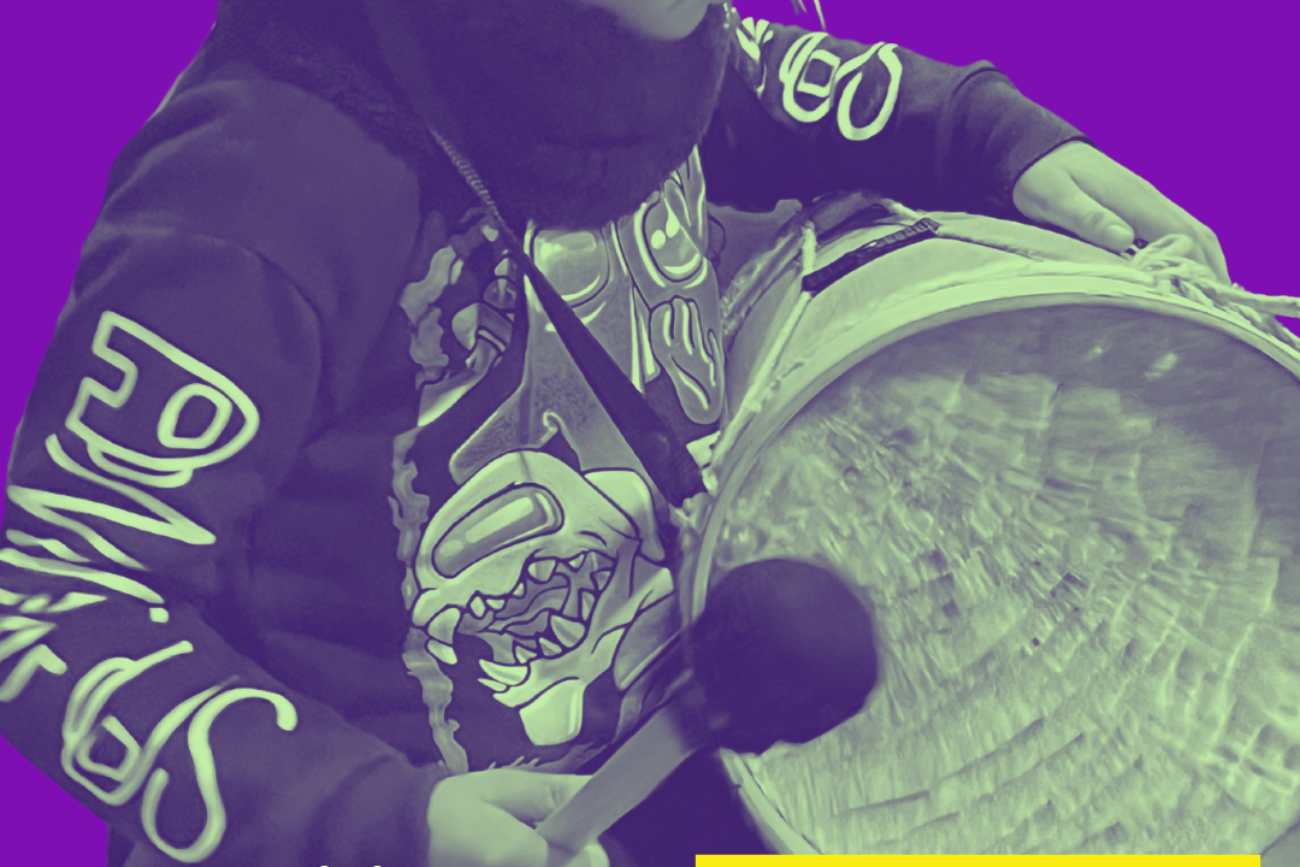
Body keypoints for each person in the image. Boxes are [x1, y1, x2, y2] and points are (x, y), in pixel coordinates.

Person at [0, 0, 1228, 865]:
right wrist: (379, 821)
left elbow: (751, 79)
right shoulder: (264, 188)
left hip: (681, 746)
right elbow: (50, 594)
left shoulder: (642, 40)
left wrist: (983, 136)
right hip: (410, 814)